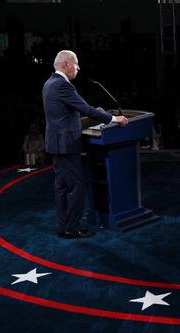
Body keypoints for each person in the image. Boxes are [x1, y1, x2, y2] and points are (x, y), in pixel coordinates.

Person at [43, 50, 128, 239]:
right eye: (76, 64)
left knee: (62, 187)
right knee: (76, 186)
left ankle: (64, 226)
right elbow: (85, 108)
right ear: (66, 64)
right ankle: (71, 228)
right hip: (66, 144)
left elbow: (64, 115)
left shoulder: (49, 83)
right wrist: (114, 118)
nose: (78, 68)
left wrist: (87, 113)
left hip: (56, 143)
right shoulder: (63, 86)